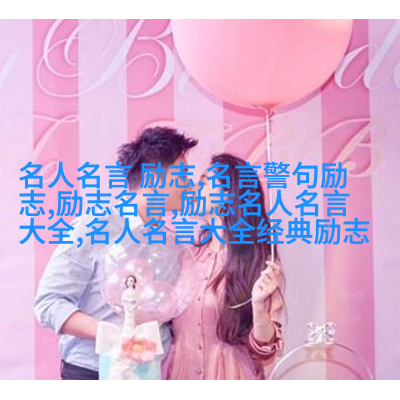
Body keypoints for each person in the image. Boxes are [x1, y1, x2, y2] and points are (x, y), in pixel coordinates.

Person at [34, 126, 198, 379]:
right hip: (90, 373)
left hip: (146, 375)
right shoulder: (94, 227)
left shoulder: (172, 243)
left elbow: (168, 311)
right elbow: (48, 303)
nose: (189, 185)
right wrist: (114, 335)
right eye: (183, 175)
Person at [166, 153, 285, 380]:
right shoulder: (186, 256)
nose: (193, 189)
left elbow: (265, 352)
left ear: (227, 195)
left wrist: (259, 308)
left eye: (203, 182)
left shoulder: (258, 263)